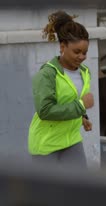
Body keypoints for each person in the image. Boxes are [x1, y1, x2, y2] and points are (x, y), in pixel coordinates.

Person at [28, 11, 94, 167]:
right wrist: (81, 106)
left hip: (71, 140)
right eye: (76, 52)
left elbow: (73, 99)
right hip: (46, 145)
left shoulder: (85, 73)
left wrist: (83, 117)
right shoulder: (47, 75)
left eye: (84, 52)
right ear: (62, 47)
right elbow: (45, 111)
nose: (81, 57)